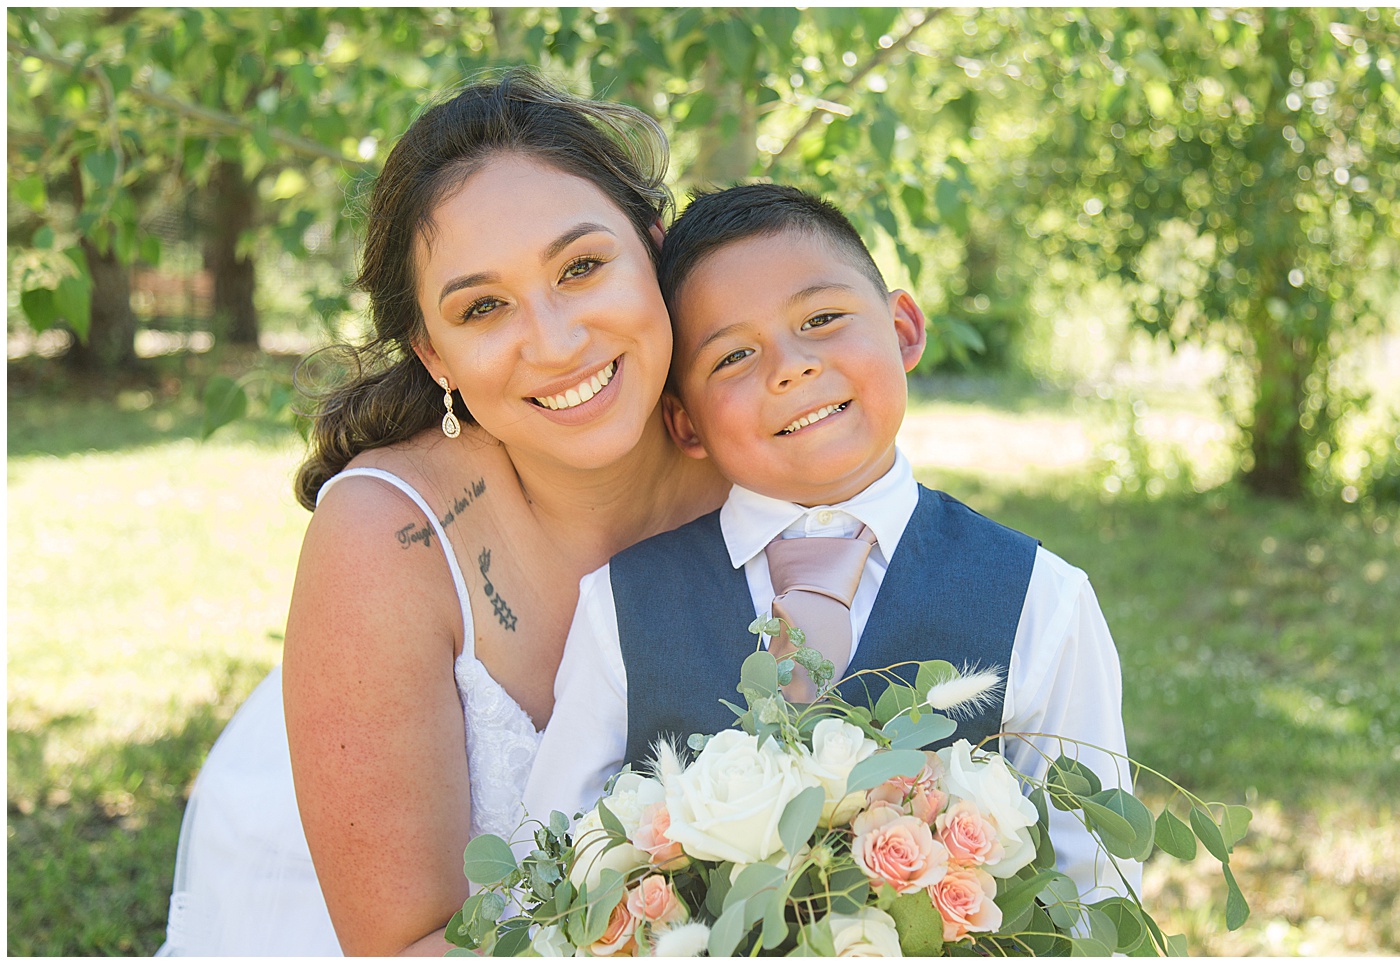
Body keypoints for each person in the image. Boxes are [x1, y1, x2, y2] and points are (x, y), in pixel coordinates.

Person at [158, 70, 728, 956]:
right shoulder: (388, 539)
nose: (555, 340)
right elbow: (402, 945)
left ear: (653, 247)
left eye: (581, 266)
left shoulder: (771, 458)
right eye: (483, 307)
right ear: (435, 354)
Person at [524, 183, 1140, 900]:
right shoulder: (622, 607)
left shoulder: (1042, 598)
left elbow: (1095, 890)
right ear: (683, 422)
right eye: (732, 357)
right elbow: (558, 868)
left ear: (904, 328)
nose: (791, 366)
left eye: (821, 318)